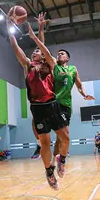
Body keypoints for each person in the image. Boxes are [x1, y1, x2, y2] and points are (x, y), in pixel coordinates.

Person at [8, 17, 69, 190]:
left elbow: (43, 47)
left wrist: (38, 33)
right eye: (33, 51)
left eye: (38, 51)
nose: (35, 52)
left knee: (65, 137)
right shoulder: (27, 65)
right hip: (37, 108)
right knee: (45, 141)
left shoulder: (50, 64)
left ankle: (62, 160)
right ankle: (49, 171)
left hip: (52, 103)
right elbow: (15, 47)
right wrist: (8, 26)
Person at [30, 14, 94, 162]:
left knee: (62, 135)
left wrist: (85, 94)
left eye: (62, 53)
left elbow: (79, 85)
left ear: (68, 58)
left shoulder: (72, 69)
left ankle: (55, 160)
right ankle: (40, 143)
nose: (59, 54)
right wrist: (40, 27)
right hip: (51, 101)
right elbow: (42, 45)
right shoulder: (52, 64)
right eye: (58, 53)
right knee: (34, 122)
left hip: (65, 104)